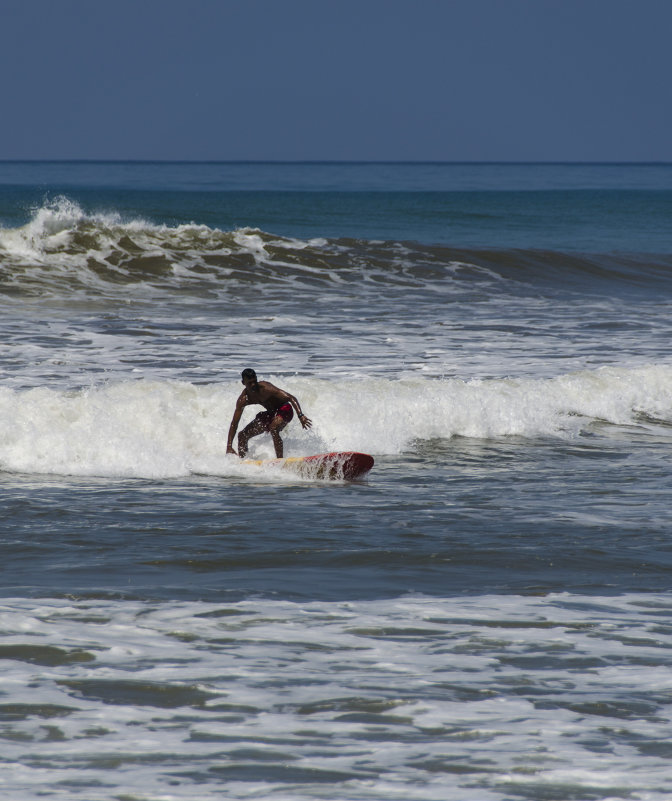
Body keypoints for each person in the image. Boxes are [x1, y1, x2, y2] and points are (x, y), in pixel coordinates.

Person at [226, 368, 312, 458]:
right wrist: (229, 446)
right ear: (243, 383)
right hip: (271, 413)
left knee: (273, 427)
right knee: (242, 435)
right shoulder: (244, 399)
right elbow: (234, 423)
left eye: (254, 381)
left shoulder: (266, 388)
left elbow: (291, 398)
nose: (253, 385)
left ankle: (280, 461)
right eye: (249, 383)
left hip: (285, 409)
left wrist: (300, 416)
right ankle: (244, 461)